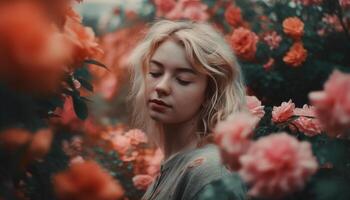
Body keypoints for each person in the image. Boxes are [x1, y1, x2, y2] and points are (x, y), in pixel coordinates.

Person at [128, 20, 247, 200]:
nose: (161, 86)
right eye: (155, 72)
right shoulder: (172, 168)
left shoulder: (209, 173)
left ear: (209, 93)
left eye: (182, 79)